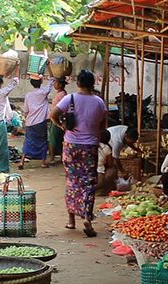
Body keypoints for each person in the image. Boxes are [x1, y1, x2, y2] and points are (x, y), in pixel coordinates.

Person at [50, 70, 108, 238]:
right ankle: (87, 218)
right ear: (93, 83)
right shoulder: (99, 102)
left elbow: (53, 115)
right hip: (90, 147)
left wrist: (62, 127)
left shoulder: (70, 99)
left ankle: (71, 220)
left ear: (78, 83)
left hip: (71, 146)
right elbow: (103, 125)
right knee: (88, 182)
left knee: (72, 181)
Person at [21, 75, 54, 166]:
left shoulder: (28, 95)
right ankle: (43, 162)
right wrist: (49, 67)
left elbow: (26, 110)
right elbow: (52, 80)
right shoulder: (43, 92)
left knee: (28, 141)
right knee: (43, 141)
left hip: (30, 122)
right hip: (40, 122)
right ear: (41, 82)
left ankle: (22, 161)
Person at [47, 77, 68, 165]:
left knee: (53, 139)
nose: (54, 84)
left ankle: (52, 157)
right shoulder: (60, 93)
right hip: (55, 118)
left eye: (56, 83)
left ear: (60, 84)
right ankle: (60, 156)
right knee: (58, 138)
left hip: (57, 118)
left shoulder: (62, 94)